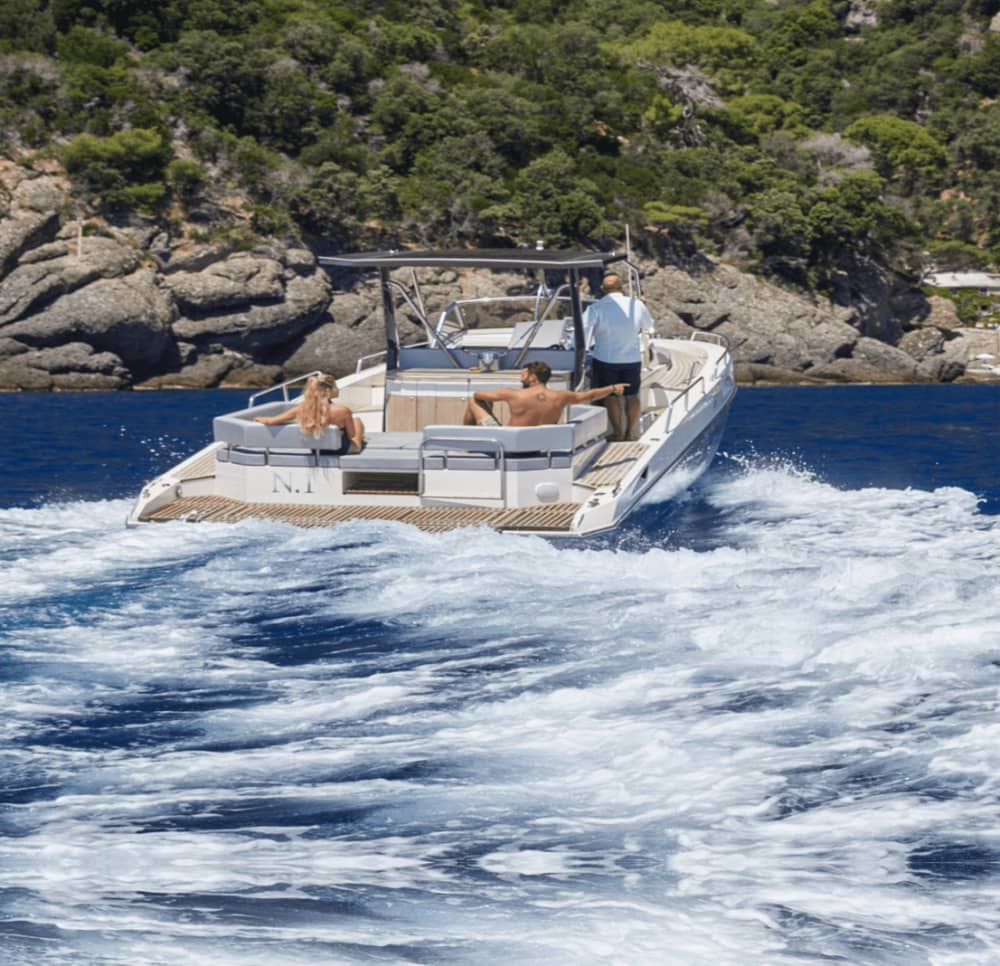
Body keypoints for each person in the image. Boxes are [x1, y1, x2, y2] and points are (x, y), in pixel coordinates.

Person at [582, 273, 654, 441]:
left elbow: (585, 332)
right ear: (622, 287)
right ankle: (631, 433)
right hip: (631, 359)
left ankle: (618, 433)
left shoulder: (596, 308)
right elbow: (649, 328)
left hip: (606, 360)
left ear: (602, 289)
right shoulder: (637, 305)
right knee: (632, 395)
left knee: (612, 395)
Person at [463, 360, 625, 428]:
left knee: (474, 403)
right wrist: (612, 388)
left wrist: (488, 402)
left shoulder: (512, 394)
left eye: (523, 375)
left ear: (532, 377)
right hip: (542, 446)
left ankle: (468, 448)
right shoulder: (561, 396)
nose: (521, 378)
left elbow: (478, 395)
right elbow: (590, 395)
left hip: (509, 445)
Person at [255, 373, 365, 453]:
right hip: (340, 449)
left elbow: (271, 421)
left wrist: (259, 419)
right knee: (357, 421)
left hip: (317, 450)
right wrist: (358, 438)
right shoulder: (343, 411)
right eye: (335, 387)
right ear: (329, 390)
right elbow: (352, 435)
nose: (338, 389)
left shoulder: (301, 409)